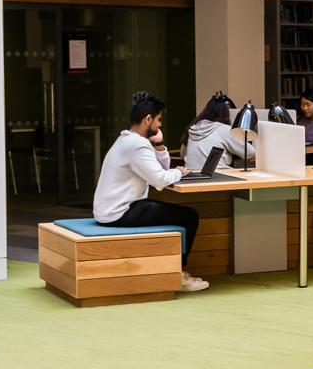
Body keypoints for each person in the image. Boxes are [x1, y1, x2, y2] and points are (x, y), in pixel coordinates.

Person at [95, 91, 208, 292]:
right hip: (121, 212)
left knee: (180, 214)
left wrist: (159, 144)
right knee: (190, 216)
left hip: (113, 209)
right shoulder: (137, 145)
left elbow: (160, 170)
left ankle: (174, 271)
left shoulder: (126, 140)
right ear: (148, 119)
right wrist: (179, 172)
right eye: (158, 120)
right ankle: (177, 275)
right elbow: (160, 180)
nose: (160, 125)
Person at [182, 96, 255, 170]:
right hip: (216, 176)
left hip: (191, 176)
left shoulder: (193, 128)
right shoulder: (223, 129)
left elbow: (183, 154)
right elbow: (249, 153)